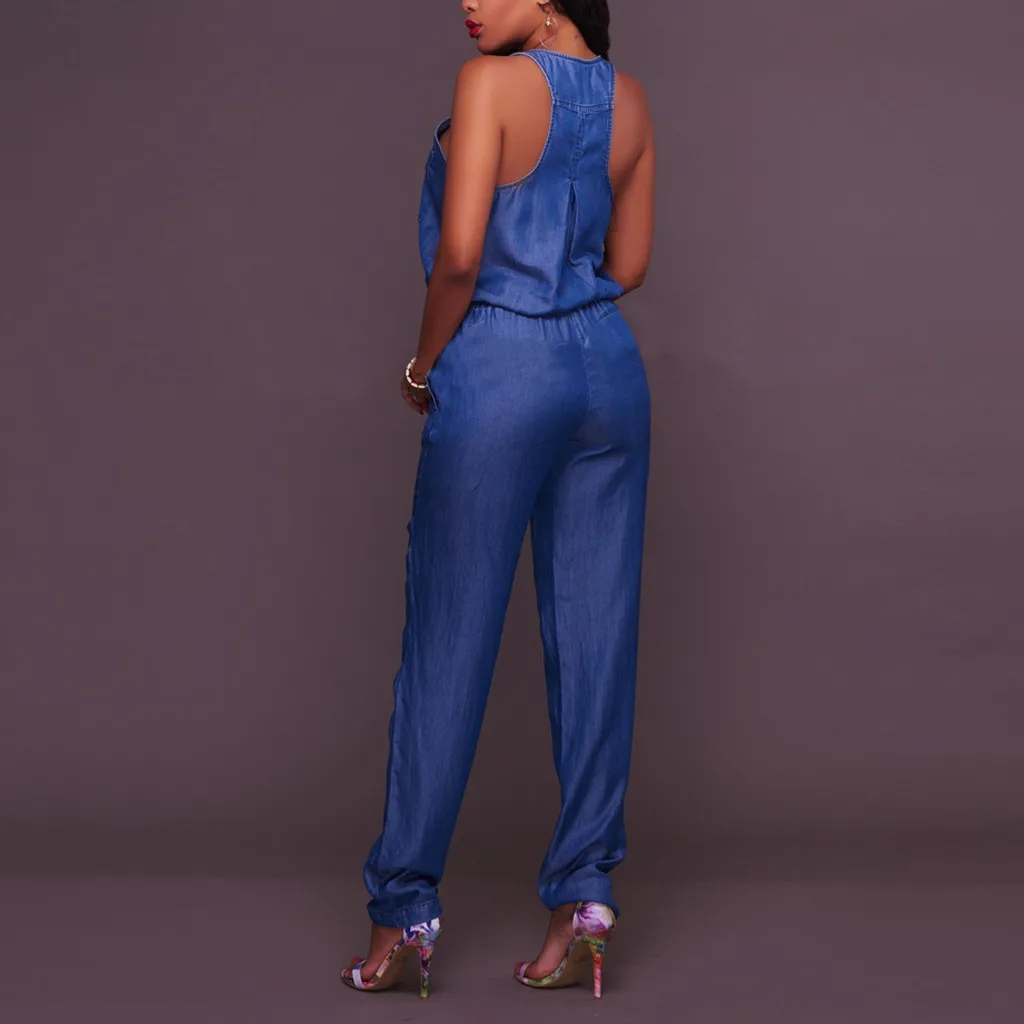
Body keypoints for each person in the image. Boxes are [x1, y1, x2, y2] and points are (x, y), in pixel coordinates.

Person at [341, 0, 655, 1000]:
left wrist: (423, 362)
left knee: (450, 637)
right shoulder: (630, 100)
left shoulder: (488, 85)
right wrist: (570, 297)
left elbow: (461, 255)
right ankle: (586, 900)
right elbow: (631, 265)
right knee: (597, 637)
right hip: (609, 373)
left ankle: (404, 911)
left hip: (502, 362)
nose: (467, 1)